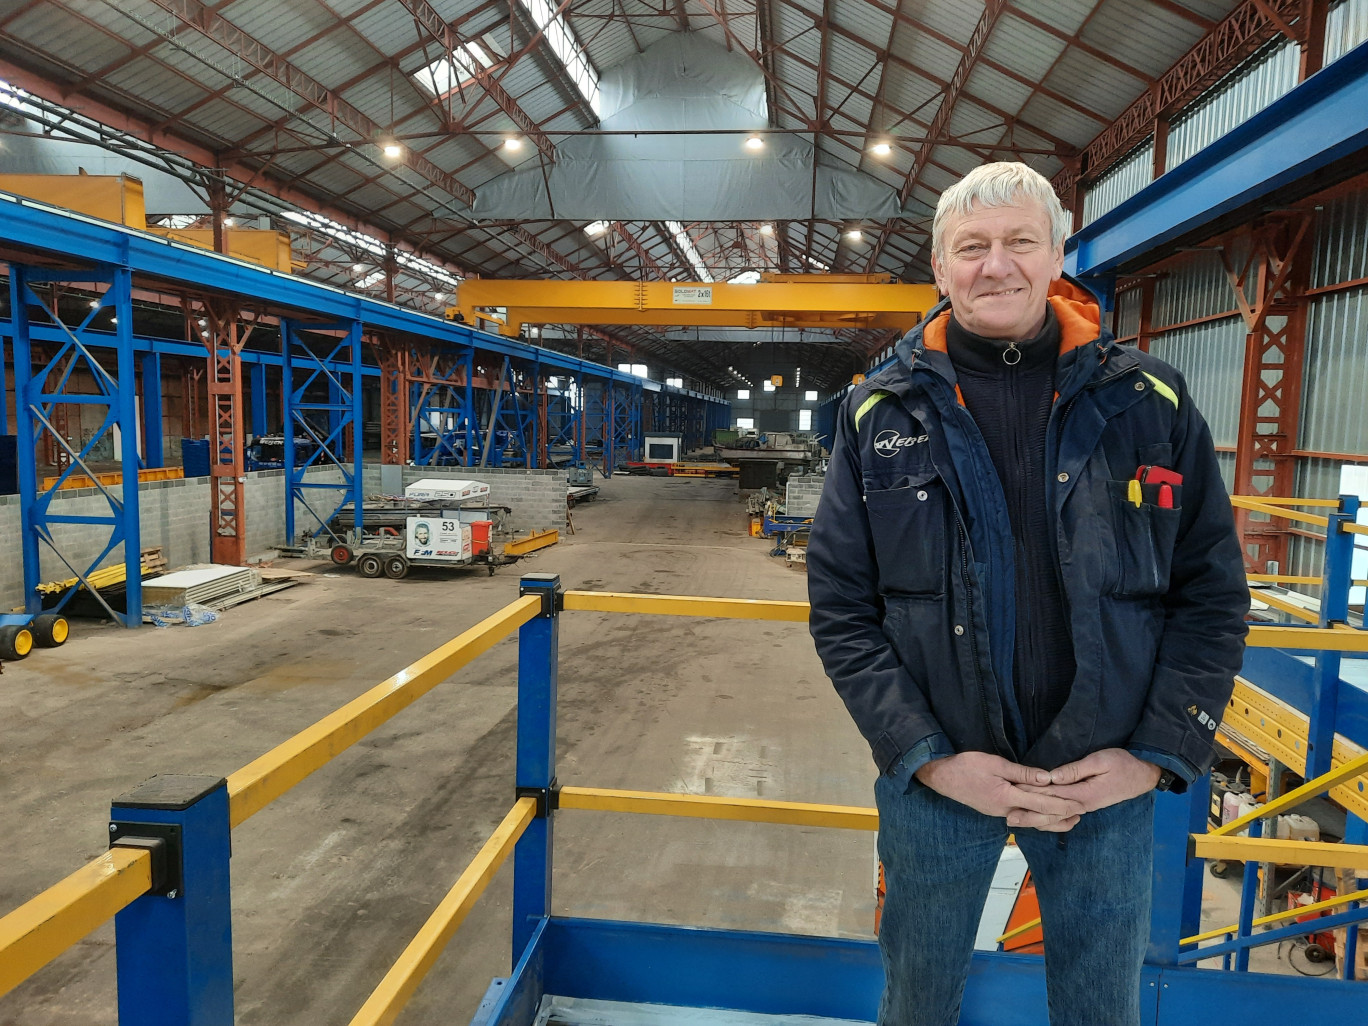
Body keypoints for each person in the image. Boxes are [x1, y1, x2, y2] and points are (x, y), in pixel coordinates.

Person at [806, 162, 1248, 1026]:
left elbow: (1213, 595)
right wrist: (927, 754)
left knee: (1099, 1008)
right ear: (939, 269)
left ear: (1057, 258)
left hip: (1102, 781)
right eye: (971, 247)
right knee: (916, 1002)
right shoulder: (878, 412)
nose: (995, 265)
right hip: (940, 779)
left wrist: (1152, 754)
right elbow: (842, 609)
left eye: (1019, 242)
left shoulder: (1148, 402)